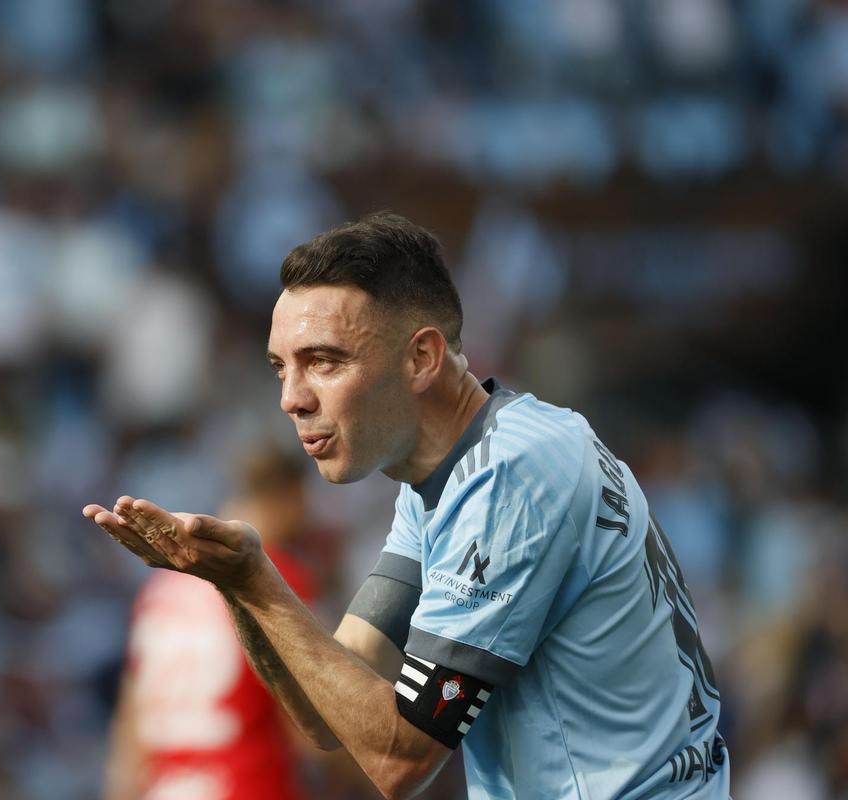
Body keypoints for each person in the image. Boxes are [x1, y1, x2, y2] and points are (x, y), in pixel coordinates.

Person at [84, 212, 730, 799]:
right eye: (281, 367)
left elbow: (400, 760)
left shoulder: (511, 476)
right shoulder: (448, 478)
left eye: (324, 362)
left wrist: (258, 580)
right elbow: (327, 711)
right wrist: (241, 589)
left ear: (421, 356)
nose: (292, 397)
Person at [103, 445, 318, 800]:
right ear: (288, 496)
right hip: (249, 784)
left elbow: (131, 725)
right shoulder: (277, 580)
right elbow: (310, 725)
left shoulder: (161, 590)